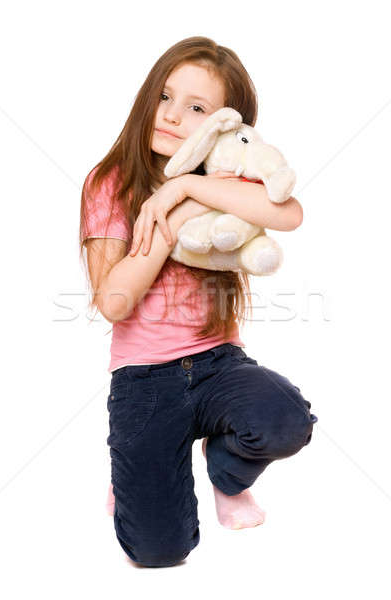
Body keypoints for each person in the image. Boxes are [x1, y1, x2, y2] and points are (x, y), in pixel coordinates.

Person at [79, 36, 318, 569]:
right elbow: (114, 300)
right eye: (165, 97)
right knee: (159, 551)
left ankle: (225, 470)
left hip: (218, 365)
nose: (171, 117)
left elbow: (289, 214)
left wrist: (183, 189)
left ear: (224, 125)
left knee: (284, 420)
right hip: (145, 381)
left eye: (196, 109)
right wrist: (178, 216)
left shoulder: (226, 176)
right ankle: (136, 479)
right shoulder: (110, 183)